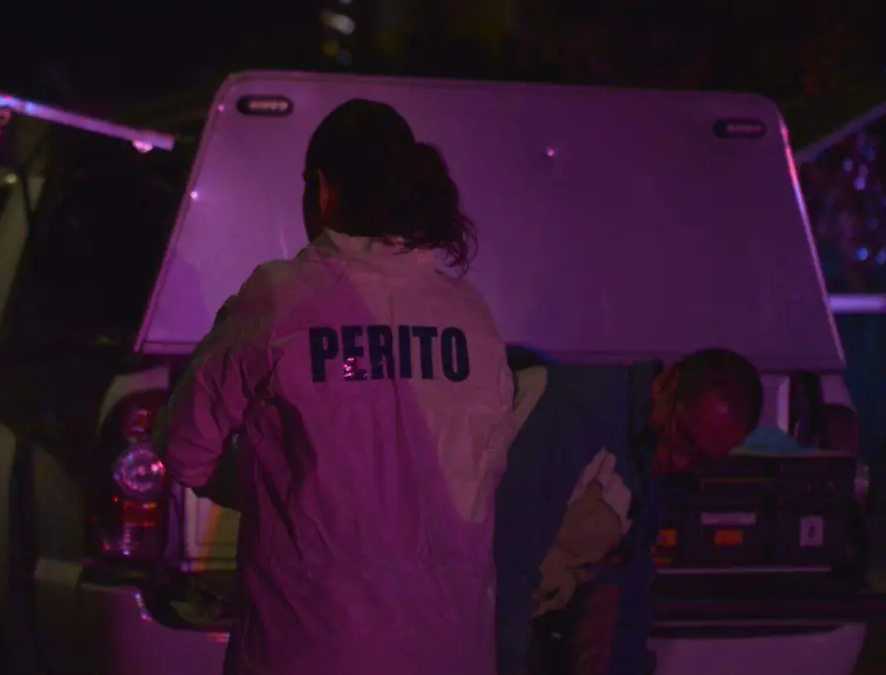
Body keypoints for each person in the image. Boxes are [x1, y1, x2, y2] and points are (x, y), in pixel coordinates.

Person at [157, 99, 514, 675]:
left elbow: (184, 447)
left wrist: (277, 487)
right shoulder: (472, 317)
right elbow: (487, 471)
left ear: (322, 190)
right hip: (454, 648)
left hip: (309, 644)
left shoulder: (280, 301)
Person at [494, 347, 763, 675]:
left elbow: (622, 598)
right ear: (667, 383)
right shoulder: (573, 413)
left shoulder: (655, 467)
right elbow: (506, 565)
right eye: (683, 436)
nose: (681, 460)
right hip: (470, 618)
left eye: (701, 460)